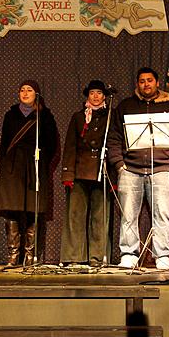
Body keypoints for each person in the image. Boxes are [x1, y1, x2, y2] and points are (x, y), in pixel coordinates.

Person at [107, 67, 169, 270]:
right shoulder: (126, 106)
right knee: (128, 215)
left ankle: (163, 255)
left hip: (162, 169)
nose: (146, 84)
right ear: (137, 84)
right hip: (131, 169)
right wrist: (120, 165)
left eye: (149, 80)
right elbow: (115, 138)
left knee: (162, 214)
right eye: (142, 81)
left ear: (157, 83)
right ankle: (128, 254)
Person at [0, 80, 58, 266]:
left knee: (33, 209)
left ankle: (30, 255)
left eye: (29, 90)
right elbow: (4, 143)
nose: (25, 93)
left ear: (37, 94)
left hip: (34, 166)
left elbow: (51, 144)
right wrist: (3, 166)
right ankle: (13, 255)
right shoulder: (11, 114)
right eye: (22, 89)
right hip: (12, 167)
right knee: (11, 210)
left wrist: (41, 162)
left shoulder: (45, 116)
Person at [60, 80, 115, 266]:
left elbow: (115, 146)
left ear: (104, 96)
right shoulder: (78, 117)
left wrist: (114, 177)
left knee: (100, 218)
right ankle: (74, 257)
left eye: (99, 93)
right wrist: (67, 175)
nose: (96, 96)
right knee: (75, 216)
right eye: (92, 93)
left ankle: (97, 258)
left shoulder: (111, 117)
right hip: (80, 171)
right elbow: (70, 147)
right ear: (87, 96)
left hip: (102, 171)